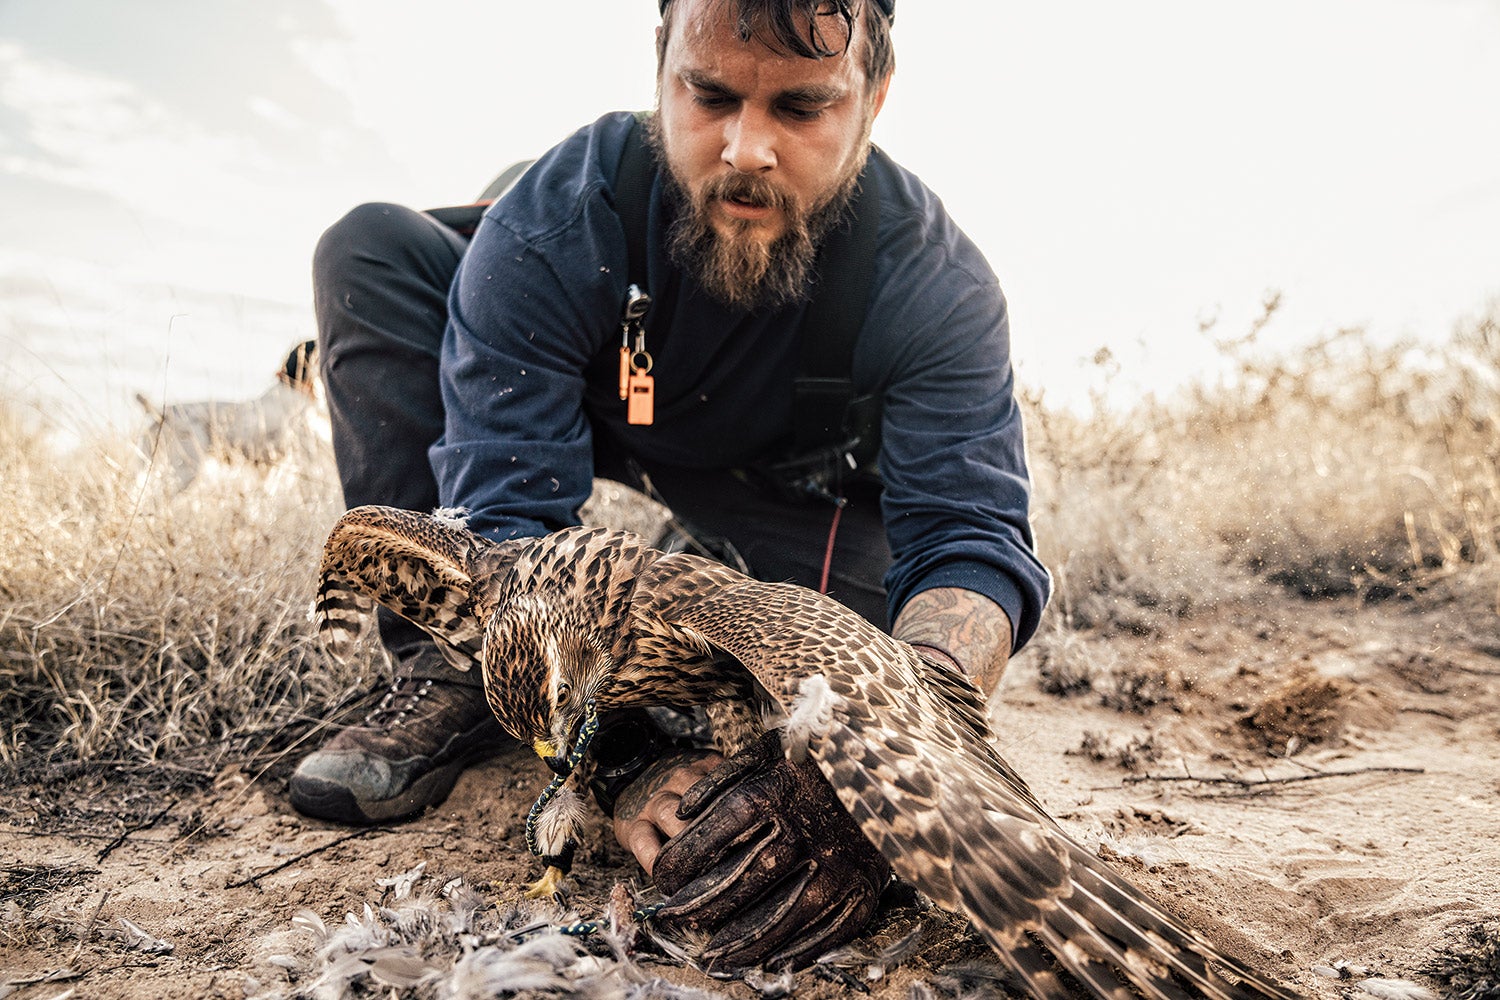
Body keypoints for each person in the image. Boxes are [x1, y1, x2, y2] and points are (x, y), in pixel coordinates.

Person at [292, 0, 1050, 971]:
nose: (747, 149)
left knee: (847, 659)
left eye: (803, 107)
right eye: (711, 94)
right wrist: (625, 753)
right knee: (373, 245)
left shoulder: (935, 282)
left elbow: (971, 538)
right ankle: (451, 672)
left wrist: (901, 734)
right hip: (599, 422)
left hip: (785, 490)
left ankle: (713, 602)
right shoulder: (561, 212)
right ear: (660, 66)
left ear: (875, 98)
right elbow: (506, 527)